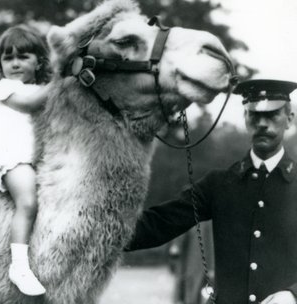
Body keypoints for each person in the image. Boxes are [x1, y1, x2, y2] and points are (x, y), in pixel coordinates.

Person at [126, 79, 297, 304]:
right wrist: (96, 233)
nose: (262, 124)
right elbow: (159, 223)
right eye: (254, 115)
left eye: (272, 115)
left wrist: (293, 293)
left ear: (290, 119)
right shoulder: (220, 185)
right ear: (246, 119)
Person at [0, 24, 52, 296]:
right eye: (8, 58)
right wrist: (64, 80)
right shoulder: (0, 88)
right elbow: (28, 105)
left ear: (39, 62)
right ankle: (18, 266)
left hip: (32, 157)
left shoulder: (43, 89)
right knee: (27, 202)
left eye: (23, 57)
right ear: (0, 64)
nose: (15, 63)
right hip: (9, 154)